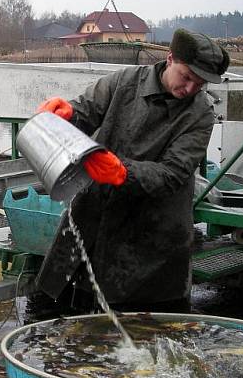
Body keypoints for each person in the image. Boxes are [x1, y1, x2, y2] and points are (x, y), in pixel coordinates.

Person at [34, 29, 229, 314]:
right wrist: (68, 114)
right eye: (186, 77)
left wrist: (122, 172)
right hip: (91, 222)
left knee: (141, 338)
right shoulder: (125, 83)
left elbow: (172, 174)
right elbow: (86, 111)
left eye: (198, 84)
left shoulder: (200, 114)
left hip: (151, 245)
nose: (189, 89)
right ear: (170, 58)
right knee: (56, 320)